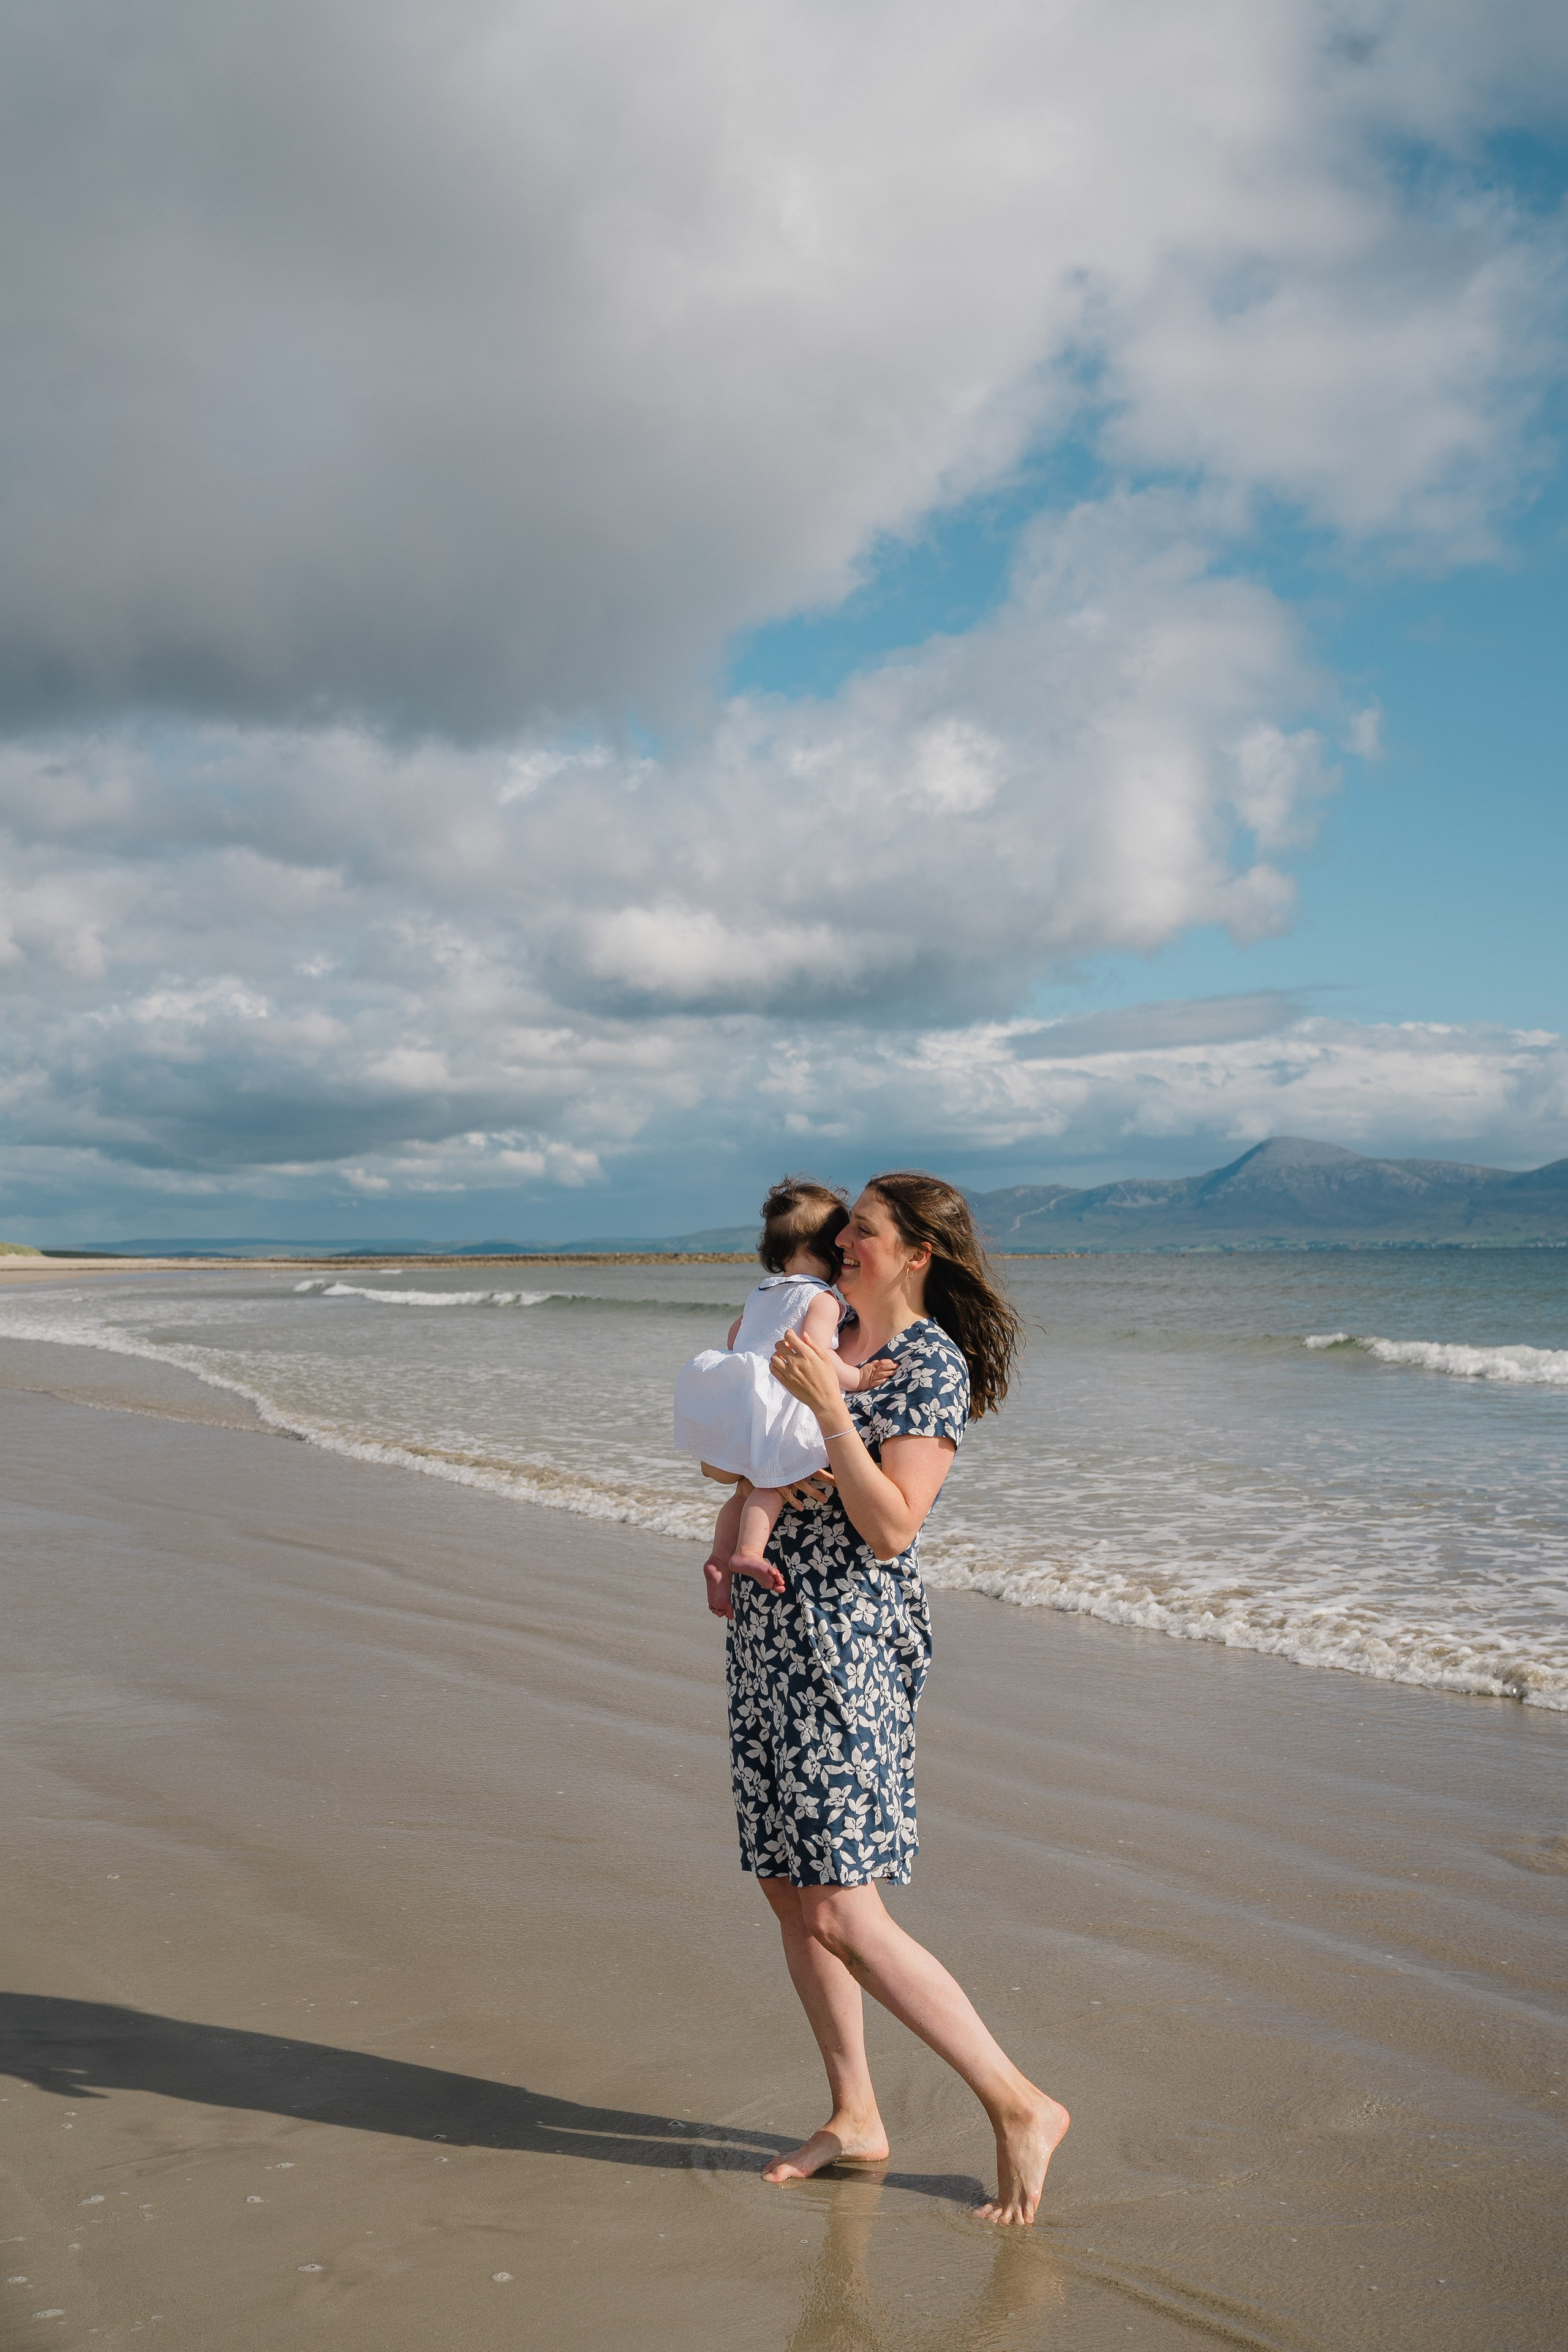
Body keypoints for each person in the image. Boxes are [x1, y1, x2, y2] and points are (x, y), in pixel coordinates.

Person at [714, 1171, 1071, 2226]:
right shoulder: (826, 1330)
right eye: (839, 1234)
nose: (839, 1246)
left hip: (847, 1645)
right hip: (773, 1627)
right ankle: (856, 2114)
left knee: (843, 1907)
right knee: (787, 1886)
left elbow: (894, 1526)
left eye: (860, 1233)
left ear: (917, 1252)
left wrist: (828, 1409)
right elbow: (740, 1457)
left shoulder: (927, 1365)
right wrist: (736, 1500)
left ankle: (1019, 2103)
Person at [674, 1178, 895, 1616]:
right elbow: (813, 1354)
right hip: (782, 1398)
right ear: (832, 1250)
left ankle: (719, 1559)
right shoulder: (822, 1299)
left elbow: (737, 1335)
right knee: (772, 1486)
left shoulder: (761, 1291)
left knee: (742, 1492)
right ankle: (748, 1554)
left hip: (746, 1394)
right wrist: (859, 1375)